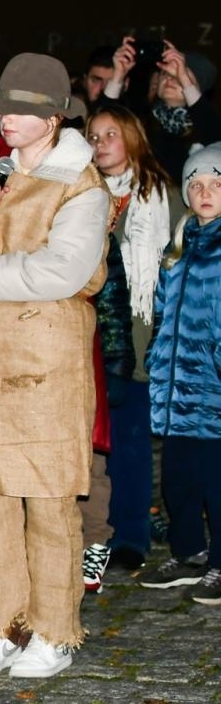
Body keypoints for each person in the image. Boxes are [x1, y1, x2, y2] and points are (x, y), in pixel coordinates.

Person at [0, 53, 110, 679]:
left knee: (46, 498)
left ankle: (54, 630)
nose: (7, 119)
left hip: (43, 365)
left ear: (54, 117)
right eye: (3, 108)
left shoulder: (81, 185)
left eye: (21, 110)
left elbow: (60, 272)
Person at [82, 103, 174, 577]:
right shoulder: (82, 192)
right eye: (94, 135)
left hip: (143, 333)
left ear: (133, 137)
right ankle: (94, 534)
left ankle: (131, 536)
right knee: (96, 442)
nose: (100, 143)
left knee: (133, 441)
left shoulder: (161, 196)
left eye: (111, 134)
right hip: (90, 333)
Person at [143, 146, 221, 605]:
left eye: (215, 184)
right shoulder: (178, 247)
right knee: (178, 476)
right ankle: (189, 550)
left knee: (216, 478)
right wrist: (157, 356)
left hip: (213, 386)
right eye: (196, 184)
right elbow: (159, 309)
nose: (204, 192)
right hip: (176, 386)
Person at [101, 37, 220, 190]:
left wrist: (183, 78)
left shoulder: (206, 126)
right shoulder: (141, 122)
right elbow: (102, 121)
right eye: (165, 73)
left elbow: (215, 136)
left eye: (178, 75)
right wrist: (118, 74)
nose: (170, 79)